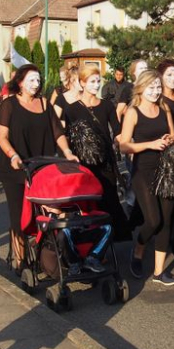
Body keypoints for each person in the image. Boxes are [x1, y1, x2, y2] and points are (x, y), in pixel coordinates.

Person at [0, 64, 78, 273]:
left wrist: (67, 152)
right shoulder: (9, 105)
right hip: (15, 169)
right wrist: (13, 155)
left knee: (45, 213)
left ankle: (46, 254)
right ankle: (21, 262)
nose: (36, 84)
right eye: (31, 80)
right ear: (20, 82)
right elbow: (2, 137)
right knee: (18, 217)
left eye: (38, 80)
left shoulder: (44, 104)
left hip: (41, 167)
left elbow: (58, 132)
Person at [118, 69, 174, 285]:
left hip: (166, 170)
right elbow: (124, 145)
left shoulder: (164, 108)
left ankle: (159, 272)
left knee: (166, 220)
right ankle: (139, 248)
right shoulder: (133, 112)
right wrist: (150, 145)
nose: (155, 91)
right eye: (151, 87)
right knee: (153, 220)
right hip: (143, 171)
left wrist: (169, 139)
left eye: (158, 87)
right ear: (141, 88)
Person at [63, 64, 131, 241]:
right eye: (92, 81)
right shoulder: (71, 110)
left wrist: (124, 142)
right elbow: (66, 137)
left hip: (106, 162)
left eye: (98, 81)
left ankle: (109, 237)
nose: (96, 85)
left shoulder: (106, 105)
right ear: (82, 83)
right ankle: (91, 240)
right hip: (84, 164)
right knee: (88, 203)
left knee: (109, 198)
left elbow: (117, 131)